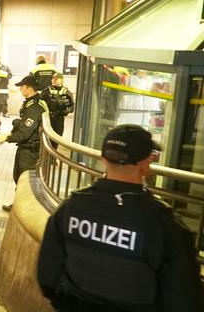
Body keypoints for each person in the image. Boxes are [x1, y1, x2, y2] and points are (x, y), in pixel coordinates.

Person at [38, 125, 204, 312]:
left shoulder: (70, 208)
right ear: (144, 164)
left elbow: (48, 277)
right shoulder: (165, 225)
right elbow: (184, 299)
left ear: (103, 159)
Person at [0, 75, 49, 210]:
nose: (20, 89)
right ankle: (19, 205)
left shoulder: (34, 107)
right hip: (28, 147)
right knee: (19, 176)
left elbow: (25, 133)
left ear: (29, 88)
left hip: (30, 149)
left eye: (22, 87)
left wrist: (7, 138)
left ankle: (25, 208)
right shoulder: (33, 102)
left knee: (25, 179)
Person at [40, 73, 74, 141]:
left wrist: (67, 110)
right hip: (48, 117)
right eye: (53, 78)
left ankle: (54, 149)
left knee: (58, 137)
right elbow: (39, 103)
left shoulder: (66, 92)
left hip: (59, 118)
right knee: (46, 137)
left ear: (61, 80)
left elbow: (72, 106)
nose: (54, 80)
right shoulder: (46, 92)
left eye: (56, 79)